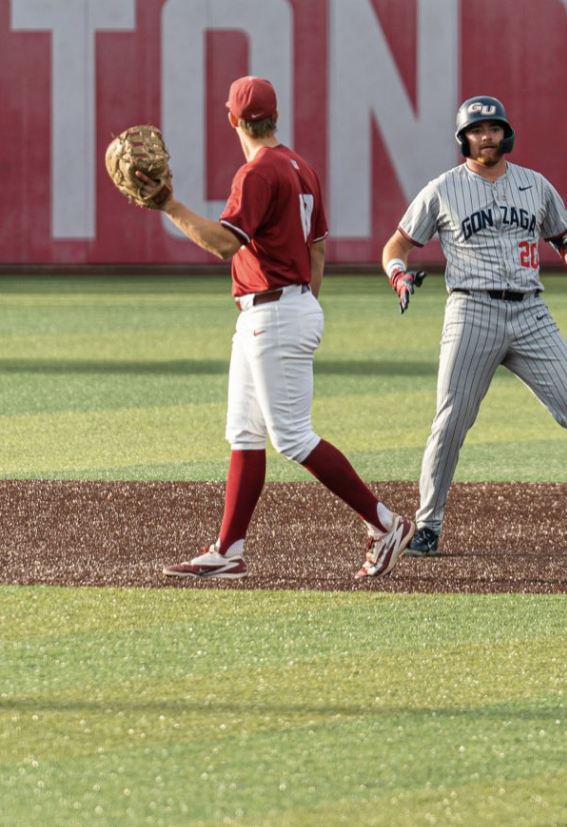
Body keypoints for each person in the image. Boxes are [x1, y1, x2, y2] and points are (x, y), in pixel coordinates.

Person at [148, 76, 415, 580]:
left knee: (291, 437)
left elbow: (226, 244)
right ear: (275, 116)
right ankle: (228, 549)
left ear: (232, 120)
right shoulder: (300, 167)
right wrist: (303, 307)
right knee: (244, 432)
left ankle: (385, 524)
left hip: (273, 311)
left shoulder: (257, 173)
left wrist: (169, 206)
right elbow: (317, 249)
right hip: (279, 308)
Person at [380, 94, 567, 557]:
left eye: (493, 127)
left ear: (506, 133)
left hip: (532, 313)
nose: (486, 136)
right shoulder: (443, 189)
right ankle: (428, 524)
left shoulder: (534, 186)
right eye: (477, 130)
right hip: (471, 310)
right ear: (464, 139)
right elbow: (396, 245)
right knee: (451, 422)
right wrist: (398, 275)